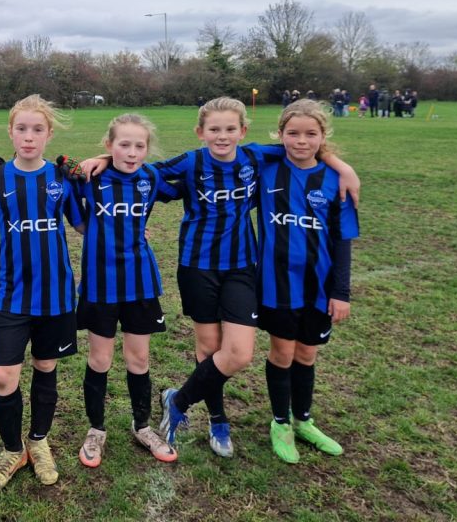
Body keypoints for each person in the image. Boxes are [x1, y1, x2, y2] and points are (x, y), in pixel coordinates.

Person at [84, 98, 358, 460]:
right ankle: (218, 420)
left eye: (230, 128)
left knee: (239, 353)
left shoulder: (255, 157)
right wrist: (104, 159)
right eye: (214, 129)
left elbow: (303, 146)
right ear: (200, 132)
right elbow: (142, 169)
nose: (222, 135)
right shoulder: (191, 162)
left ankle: (178, 400)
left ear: (243, 131)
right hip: (197, 266)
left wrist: (344, 168)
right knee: (209, 348)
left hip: (242, 267)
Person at [0, 95, 85, 492]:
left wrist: (128, 232)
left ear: (48, 134)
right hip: (11, 295)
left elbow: (83, 225)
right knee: (4, 377)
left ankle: (38, 441)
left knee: (45, 367)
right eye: (21, 129)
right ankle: (12, 449)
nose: (28, 136)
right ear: (10, 132)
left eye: (37, 129)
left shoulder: (61, 177)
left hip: (56, 295)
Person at [74, 114, 180, 469]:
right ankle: (96, 430)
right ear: (109, 145)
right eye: (123, 145)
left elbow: (184, 185)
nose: (132, 152)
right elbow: (59, 168)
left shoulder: (151, 177)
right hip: (99, 283)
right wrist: (100, 161)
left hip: (140, 282)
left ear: (147, 150)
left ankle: (142, 426)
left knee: (139, 359)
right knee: (100, 359)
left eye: (139, 146)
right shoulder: (90, 176)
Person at [256, 100, 359, 463]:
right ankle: (280, 422)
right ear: (280, 134)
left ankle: (302, 419)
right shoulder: (266, 170)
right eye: (293, 133)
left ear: (322, 136)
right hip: (277, 285)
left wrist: (341, 292)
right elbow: (229, 154)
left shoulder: (336, 181)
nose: (301, 141)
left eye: (311, 134)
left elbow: (342, 241)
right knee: (282, 353)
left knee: (307, 354)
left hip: (319, 287)